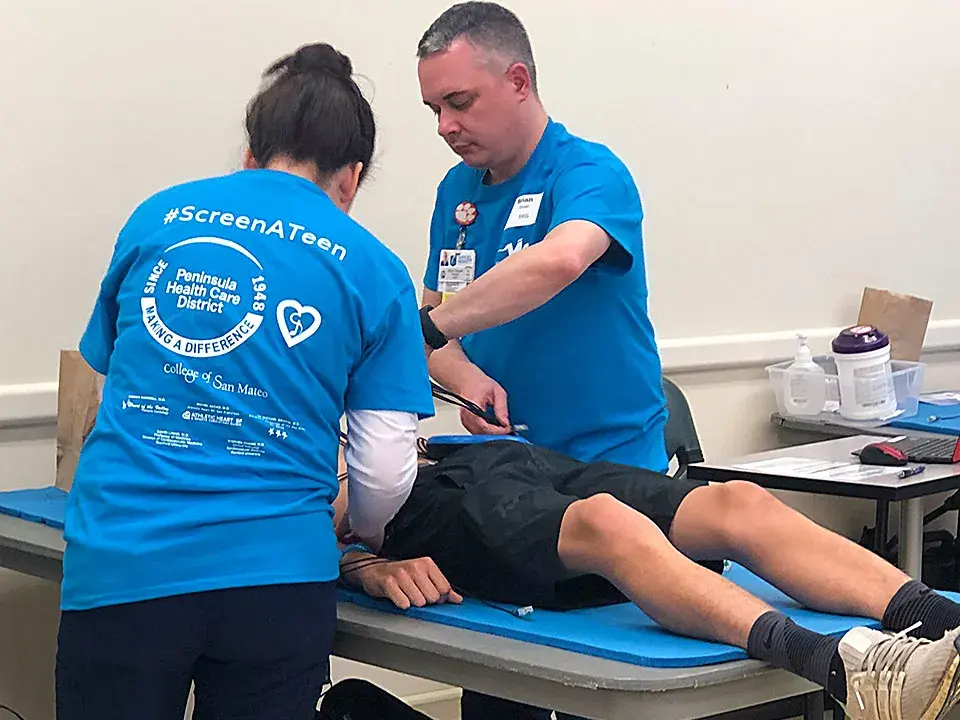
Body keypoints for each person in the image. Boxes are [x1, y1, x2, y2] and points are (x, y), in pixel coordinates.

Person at [57, 43, 434, 720]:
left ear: (252, 156)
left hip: (126, 563)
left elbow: (114, 367)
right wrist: (364, 534)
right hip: (276, 580)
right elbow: (381, 469)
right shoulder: (374, 268)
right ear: (351, 178)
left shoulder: (159, 218)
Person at [412, 2, 670, 716]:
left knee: (607, 686)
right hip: (505, 485)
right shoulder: (455, 194)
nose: (445, 126)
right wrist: (463, 375)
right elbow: (442, 316)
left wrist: (427, 330)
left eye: (459, 102)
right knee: (501, 693)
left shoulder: (589, 172)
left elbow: (558, 261)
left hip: (611, 475)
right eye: (433, 109)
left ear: (518, 81)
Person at [337, 437, 960, 720]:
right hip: (408, 516)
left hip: (480, 455)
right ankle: (856, 674)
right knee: (606, 523)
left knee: (736, 503)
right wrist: (360, 565)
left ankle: (943, 623)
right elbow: (273, 504)